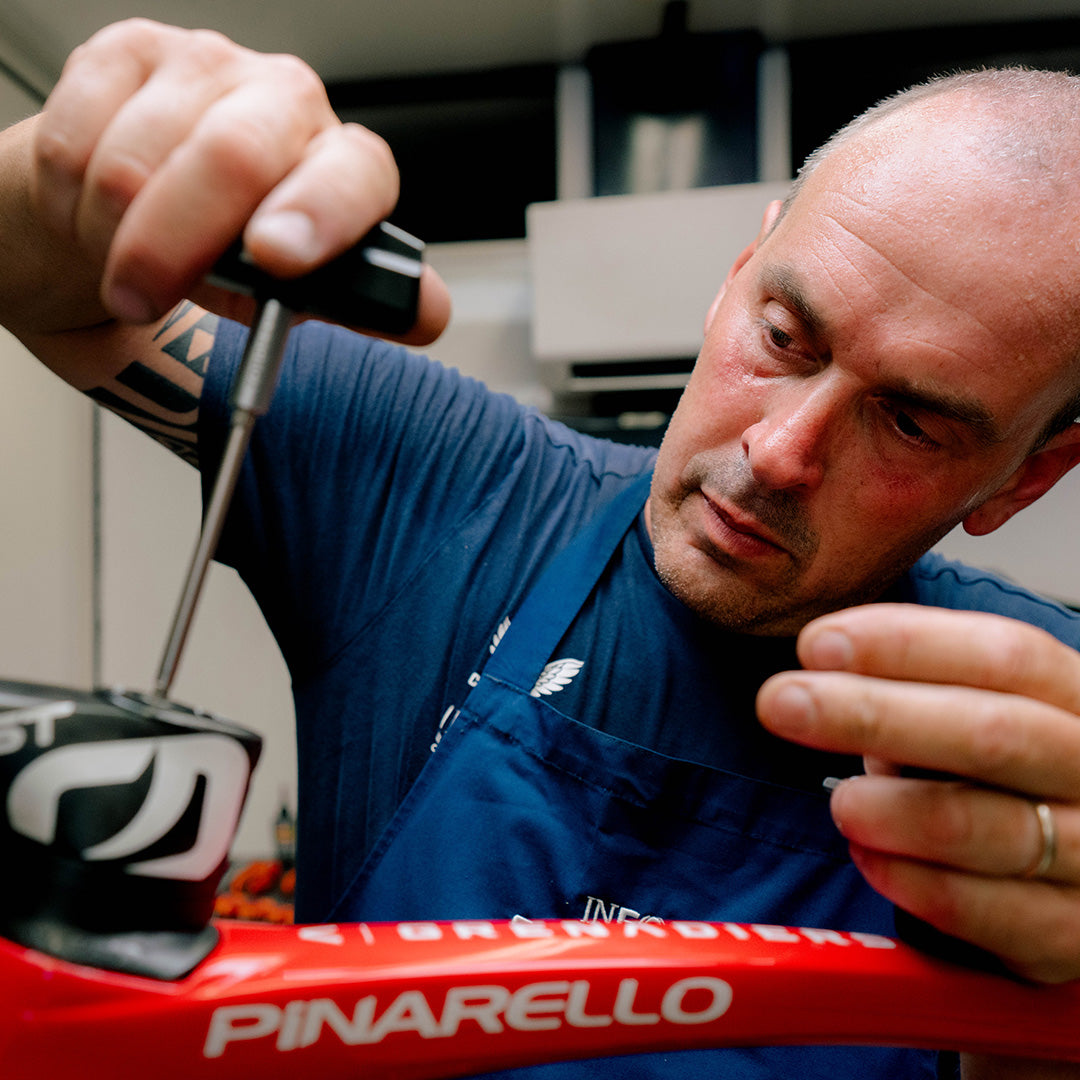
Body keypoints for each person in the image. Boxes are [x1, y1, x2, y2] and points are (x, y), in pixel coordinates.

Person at [3, 17, 1080, 1079]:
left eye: (911, 421)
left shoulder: (1048, 744)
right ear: (737, 272)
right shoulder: (449, 493)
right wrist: (62, 182)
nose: (780, 449)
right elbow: (43, 291)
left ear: (1024, 476)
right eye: (784, 336)